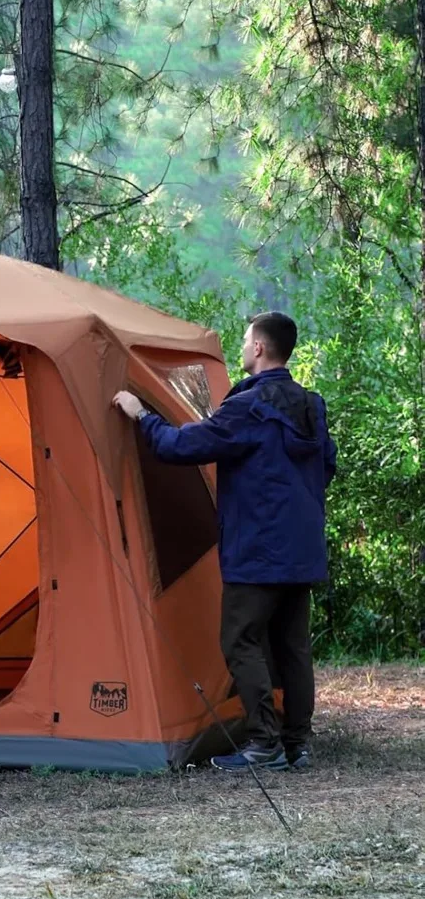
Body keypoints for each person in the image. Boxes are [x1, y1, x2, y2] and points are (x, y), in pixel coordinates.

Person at [113, 312, 336, 772]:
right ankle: (297, 744)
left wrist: (141, 416)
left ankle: (263, 743)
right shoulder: (311, 407)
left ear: (258, 348)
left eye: (245, 339)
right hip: (302, 549)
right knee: (292, 646)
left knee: (240, 640)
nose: (242, 345)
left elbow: (179, 447)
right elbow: (325, 468)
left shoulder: (247, 408)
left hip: (257, 549)